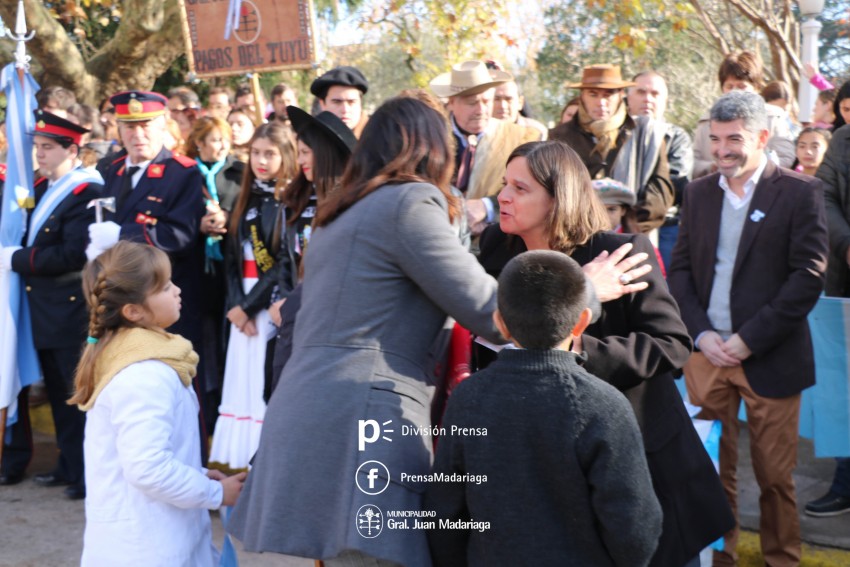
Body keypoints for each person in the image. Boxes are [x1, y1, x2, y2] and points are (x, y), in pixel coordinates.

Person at [227, 96, 507, 567]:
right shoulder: (410, 202)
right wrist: (587, 292)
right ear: (434, 149)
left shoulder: (342, 213)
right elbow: (489, 309)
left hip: (309, 414)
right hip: (366, 420)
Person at [478, 140, 735, 567]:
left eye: (519, 189)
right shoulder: (495, 250)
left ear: (560, 197)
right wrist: (582, 291)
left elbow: (672, 344)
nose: (503, 196)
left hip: (642, 461)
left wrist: (575, 347)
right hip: (545, 465)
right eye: (505, 184)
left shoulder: (620, 251)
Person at [668, 91, 829, 566]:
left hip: (771, 359)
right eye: (715, 140)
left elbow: (809, 277)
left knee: (776, 478)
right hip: (706, 356)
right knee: (710, 471)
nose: (722, 150)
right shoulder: (697, 192)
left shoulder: (801, 193)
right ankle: (719, 559)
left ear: (762, 137)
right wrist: (702, 335)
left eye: (733, 139)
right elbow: (679, 272)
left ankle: (783, 559)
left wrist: (747, 340)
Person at [426, 250, 663, 567]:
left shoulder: (468, 397)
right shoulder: (604, 404)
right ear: (582, 322)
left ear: (500, 323)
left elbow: (445, 509)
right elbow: (635, 526)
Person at [69, 241, 246, 565]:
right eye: (165, 287)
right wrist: (216, 494)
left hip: (157, 537)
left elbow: (152, 452)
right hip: (146, 549)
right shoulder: (144, 374)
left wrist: (199, 474)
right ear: (133, 311)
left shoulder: (144, 361)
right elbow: (147, 468)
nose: (177, 290)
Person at [86, 90, 210, 455]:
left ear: (162, 126)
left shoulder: (182, 173)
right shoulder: (110, 169)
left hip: (165, 298)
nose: (137, 134)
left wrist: (121, 236)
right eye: (129, 127)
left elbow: (181, 234)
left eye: (146, 126)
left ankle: (191, 462)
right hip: (120, 299)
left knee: (177, 378)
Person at [0, 111, 103, 499]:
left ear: (72, 150)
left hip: (69, 308)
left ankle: (84, 474)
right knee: (60, 395)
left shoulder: (86, 191)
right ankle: (67, 465)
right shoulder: (44, 186)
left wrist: (15, 259)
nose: (39, 154)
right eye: (37, 147)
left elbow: (71, 254)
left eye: (47, 147)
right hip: (42, 310)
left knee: (76, 396)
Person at [208, 122, 297, 471]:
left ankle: (261, 462)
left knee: (261, 379)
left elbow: (281, 264)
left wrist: (248, 308)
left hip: (266, 305)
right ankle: (234, 460)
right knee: (239, 381)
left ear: (285, 156)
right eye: (256, 153)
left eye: (269, 154)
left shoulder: (288, 202)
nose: (261, 161)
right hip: (240, 306)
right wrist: (234, 306)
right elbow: (232, 259)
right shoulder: (244, 197)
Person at [266, 107, 357, 392]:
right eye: (299, 152)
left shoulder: (353, 205)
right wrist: (284, 300)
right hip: (292, 320)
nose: (301, 160)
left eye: (306, 152)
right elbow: (285, 258)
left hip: (329, 330)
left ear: (326, 152)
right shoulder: (296, 199)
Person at [549, 64, 675, 235]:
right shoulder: (559, 137)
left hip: (630, 237)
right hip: (572, 236)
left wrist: (627, 226)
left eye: (608, 94)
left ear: (621, 95)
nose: (601, 102)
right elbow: (550, 189)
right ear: (582, 96)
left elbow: (660, 192)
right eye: (593, 94)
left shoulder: (645, 134)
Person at [430, 60, 542, 236]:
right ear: (451, 102)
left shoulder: (522, 138)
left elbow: (535, 192)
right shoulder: (431, 138)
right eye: (472, 103)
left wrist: (488, 207)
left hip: (499, 245)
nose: (481, 110)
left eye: (487, 101)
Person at [182, 116, 245, 428]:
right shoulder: (185, 174)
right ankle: (205, 404)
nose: (221, 146)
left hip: (229, 268)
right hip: (196, 268)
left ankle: (226, 402)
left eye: (224, 139)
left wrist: (227, 219)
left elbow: (249, 214)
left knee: (226, 336)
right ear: (199, 143)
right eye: (214, 139)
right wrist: (199, 224)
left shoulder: (239, 172)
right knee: (200, 340)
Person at [806, 121, 850, 517]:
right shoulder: (843, 140)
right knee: (844, 385)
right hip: (845, 283)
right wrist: (847, 244)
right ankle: (846, 483)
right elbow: (826, 195)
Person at [626, 70, 693, 268]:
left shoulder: (676, 137)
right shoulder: (614, 135)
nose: (647, 99)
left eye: (655, 94)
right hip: (615, 224)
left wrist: (638, 218)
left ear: (665, 100)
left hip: (665, 227)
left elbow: (675, 182)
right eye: (640, 92)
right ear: (628, 97)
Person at [692, 51, 796, 178]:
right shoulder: (707, 121)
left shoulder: (772, 117)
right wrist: (713, 166)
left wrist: (753, 168)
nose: (734, 91)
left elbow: (786, 157)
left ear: (756, 87)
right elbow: (693, 162)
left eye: (741, 86)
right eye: (729, 86)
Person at [310, 66, 369, 137]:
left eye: (351, 102)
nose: (345, 110)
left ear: (360, 103)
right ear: (322, 104)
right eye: (337, 102)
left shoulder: (379, 138)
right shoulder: (311, 140)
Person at [490, 72, 548, 138]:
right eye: (497, 99)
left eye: (508, 99)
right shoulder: (480, 130)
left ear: (520, 102)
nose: (503, 106)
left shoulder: (536, 131)